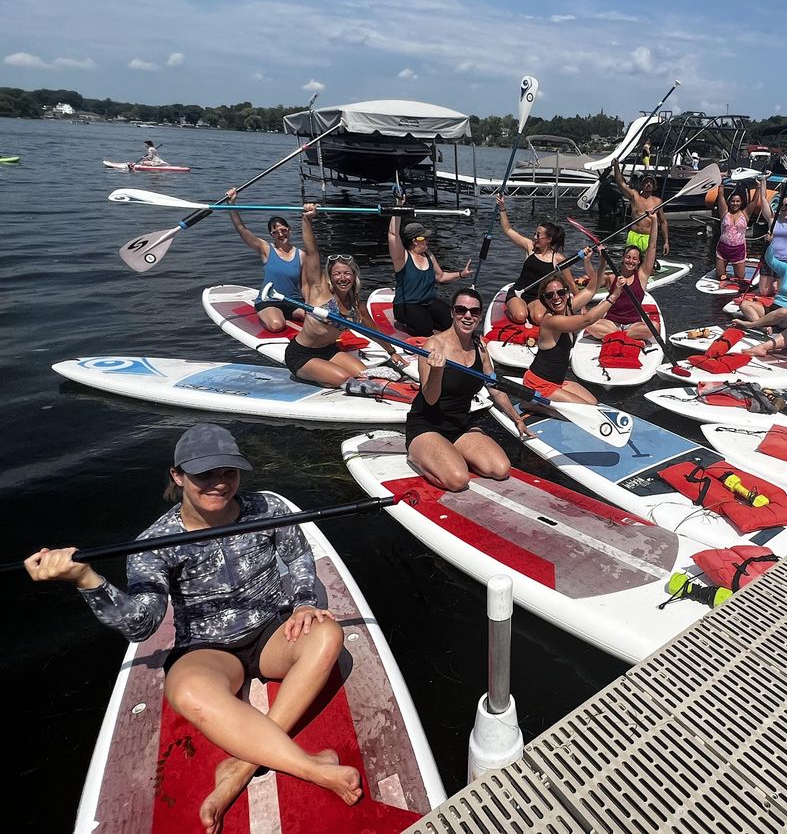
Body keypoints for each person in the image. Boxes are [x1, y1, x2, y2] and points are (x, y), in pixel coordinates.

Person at [23, 424, 362, 833]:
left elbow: (299, 559)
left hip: (274, 630)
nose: (219, 484)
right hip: (209, 647)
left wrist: (306, 602)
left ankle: (238, 770)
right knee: (186, 691)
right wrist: (86, 580)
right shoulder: (153, 543)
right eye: (204, 474)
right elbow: (141, 624)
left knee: (327, 635)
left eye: (229, 472)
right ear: (177, 476)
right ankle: (309, 767)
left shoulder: (268, 508)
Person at [406, 288, 531, 490]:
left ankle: (449, 451)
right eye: (461, 310)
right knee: (458, 480)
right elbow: (429, 398)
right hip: (427, 425)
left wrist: (517, 419)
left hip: (460, 424)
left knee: (500, 469)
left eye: (474, 312)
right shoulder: (433, 345)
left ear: (480, 316)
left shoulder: (480, 347)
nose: (467, 316)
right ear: (452, 313)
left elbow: (494, 387)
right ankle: (417, 454)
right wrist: (437, 371)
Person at [285, 203, 403, 386]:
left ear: (354, 276)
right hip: (301, 354)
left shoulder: (356, 306)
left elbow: (374, 332)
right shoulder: (319, 291)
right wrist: (307, 220)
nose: (342, 278)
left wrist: (391, 352)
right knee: (344, 379)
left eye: (347, 273)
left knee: (368, 375)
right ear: (330, 277)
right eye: (337, 273)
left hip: (330, 350)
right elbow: (312, 252)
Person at [525, 256, 622, 405]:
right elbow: (587, 320)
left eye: (561, 293)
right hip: (539, 383)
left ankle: (544, 403)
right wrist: (613, 296)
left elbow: (590, 289)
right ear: (544, 300)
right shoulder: (551, 321)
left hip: (557, 381)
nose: (556, 298)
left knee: (593, 402)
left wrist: (602, 263)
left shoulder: (568, 308)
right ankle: (533, 404)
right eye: (550, 295)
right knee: (586, 408)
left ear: (566, 293)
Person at [388, 195, 472, 336]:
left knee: (453, 320)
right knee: (425, 327)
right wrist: (399, 206)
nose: (427, 240)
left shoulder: (429, 255)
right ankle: (409, 327)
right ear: (415, 240)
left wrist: (461, 274)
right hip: (407, 305)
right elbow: (393, 234)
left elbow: (441, 276)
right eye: (424, 238)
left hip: (428, 302)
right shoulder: (402, 257)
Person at [225, 188, 305, 333]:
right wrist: (232, 204)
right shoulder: (266, 249)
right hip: (269, 301)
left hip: (293, 301)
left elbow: (306, 285)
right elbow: (242, 229)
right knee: (277, 325)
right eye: (276, 232)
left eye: (283, 230)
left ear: (289, 230)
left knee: (314, 319)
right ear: (271, 235)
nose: (281, 234)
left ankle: (289, 314)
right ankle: (268, 315)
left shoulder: (301, 255)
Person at [495, 194, 572, 325]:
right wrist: (502, 208)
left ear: (549, 239)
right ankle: (513, 310)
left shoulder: (558, 258)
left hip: (536, 297)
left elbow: (570, 283)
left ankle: (528, 311)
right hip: (518, 292)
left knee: (538, 318)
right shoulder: (530, 247)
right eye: (535, 233)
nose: (534, 236)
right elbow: (507, 230)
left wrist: (580, 305)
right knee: (520, 316)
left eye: (538, 235)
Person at [585, 215, 660, 343]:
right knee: (587, 323)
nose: (630, 261)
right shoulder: (612, 277)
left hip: (633, 324)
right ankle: (622, 336)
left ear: (638, 262)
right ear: (622, 259)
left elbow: (652, 247)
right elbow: (594, 280)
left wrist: (654, 221)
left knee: (655, 327)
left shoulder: (642, 276)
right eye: (628, 257)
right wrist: (587, 261)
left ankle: (616, 336)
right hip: (611, 323)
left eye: (634, 259)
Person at [733, 246, 787, 332]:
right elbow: (770, 260)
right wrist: (770, 243)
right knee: (744, 304)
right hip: (774, 307)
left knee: (783, 312)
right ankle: (763, 327)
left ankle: (750, 325)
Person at [612, 158, 669, 255]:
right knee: (630, 260)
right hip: (633, 236)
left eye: (651, 183)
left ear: (654, 185)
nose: (648, 184)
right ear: (642, 184)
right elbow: (621, 183)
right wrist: (616, 166)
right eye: (646, 182)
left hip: (648, 237)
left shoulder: (657, 201)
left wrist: (666, 242)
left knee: (646, 264)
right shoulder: (635, 196)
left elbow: (663, 222)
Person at [754, 185, 787, 298]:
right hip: (771, 259)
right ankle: (772, 281)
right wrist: (763, 181)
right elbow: (764, 200)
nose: (783, 207)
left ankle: (778, 282)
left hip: (786, 261)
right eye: (781, 204)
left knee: (782, 292)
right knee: (765, 292)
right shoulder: (772, 219)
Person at [714, 179, 758, 283]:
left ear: (741, 202)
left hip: (738, 250)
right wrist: (721, 181)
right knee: (720, 275)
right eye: (733, 201)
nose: (735, 203)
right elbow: (720, 196)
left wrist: (758, 186)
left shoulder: (745, 214)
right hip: (723, 249)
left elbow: (754, 201)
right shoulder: (724, 213)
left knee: (740, 278)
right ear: (729, 202)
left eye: (737, 201)